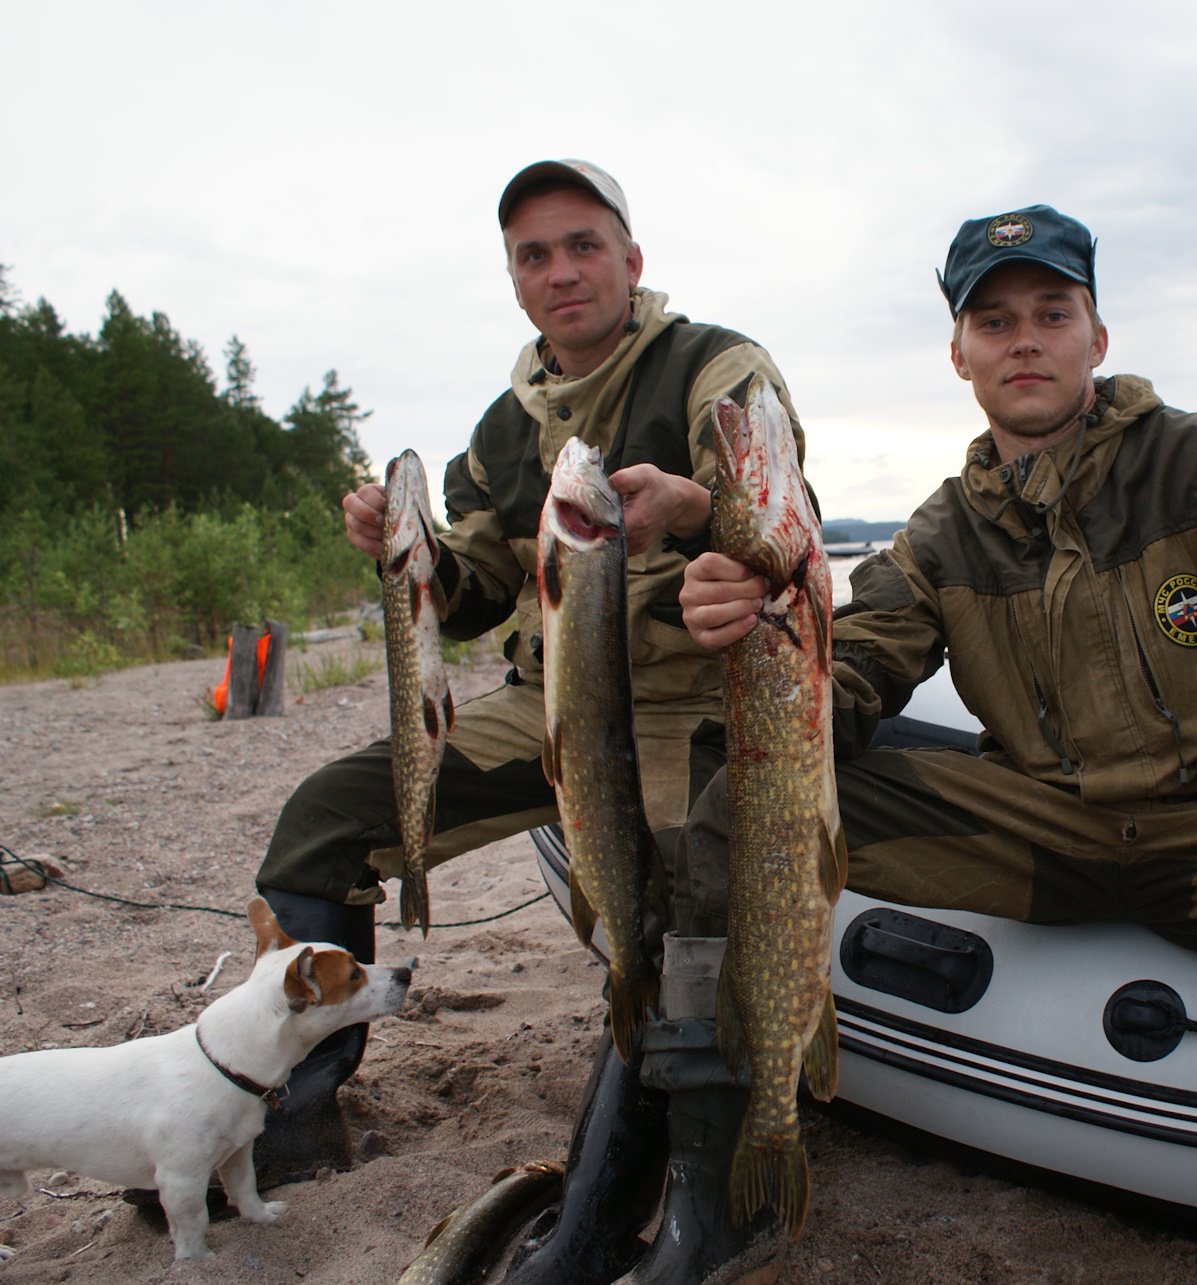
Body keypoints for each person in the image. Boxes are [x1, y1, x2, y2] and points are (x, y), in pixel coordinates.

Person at [676, 206, 1197, 1284]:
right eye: (994, 321)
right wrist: (756, 636)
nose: (1024, 338)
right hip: (1046, 825)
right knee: (729, 812)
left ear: (1097, 337)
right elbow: (848, 682)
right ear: (959, 355)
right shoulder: (936, 534)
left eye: (1051, 312)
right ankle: (714, 1161)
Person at [249, 158, 808, 1282]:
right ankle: (296, 1121)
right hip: (550, 703)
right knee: (325, 817)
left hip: (701, 704)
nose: (561, 272)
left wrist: (698, 507)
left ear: (631, 259)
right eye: (534, 255)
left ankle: (658, 1199)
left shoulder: (716, 365)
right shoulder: (503, 430)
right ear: (512, 280)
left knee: (669, 910)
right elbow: (475, 598)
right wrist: (407, 558)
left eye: (583, 245)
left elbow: (783, 509)